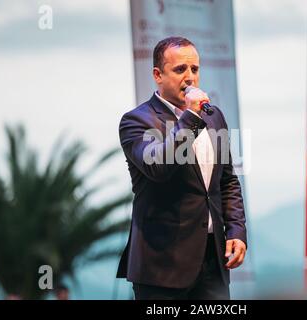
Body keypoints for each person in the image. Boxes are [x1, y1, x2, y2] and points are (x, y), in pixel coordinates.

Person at [116, 36, 247, 300]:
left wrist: (236, 230)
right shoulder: (136, 121)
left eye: (194, 69)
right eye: (180, 70)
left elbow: (227, 180)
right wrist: (189, 117)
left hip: (212, 260)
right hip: (162, 266)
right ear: (158, 75)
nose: (190, 78)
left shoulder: (214, 116)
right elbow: (159, 167)